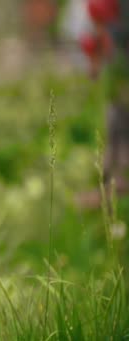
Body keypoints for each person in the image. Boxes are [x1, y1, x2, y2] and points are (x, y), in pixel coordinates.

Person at [75, 0, 129, 207]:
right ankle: (112, 181)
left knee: (120, 118)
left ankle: (118, 180)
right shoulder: (102, 17)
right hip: (118, 65)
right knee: (115, 117)